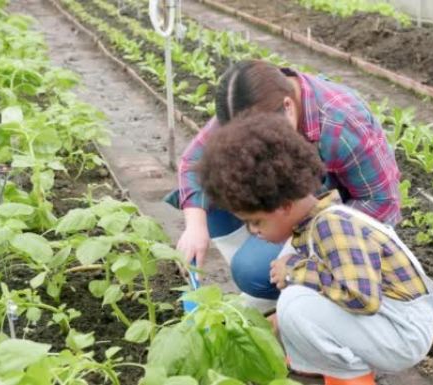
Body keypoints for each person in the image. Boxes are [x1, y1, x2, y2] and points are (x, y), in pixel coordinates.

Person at [196, 113, 433, 385]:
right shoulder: (311, 224)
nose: (254, 231)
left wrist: (295, 271)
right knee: (293, 300)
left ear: (284, 206)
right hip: (388, 319)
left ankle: (352, 378)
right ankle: (324, 363)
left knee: (295, 304)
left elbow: (360, 297)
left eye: (255, 222)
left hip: (403, 331)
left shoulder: (333, 226)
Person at [165, 59, 401, 304]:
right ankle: (274, 280)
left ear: (288, 106)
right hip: (286, 205)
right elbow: (194, 162)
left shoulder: (341, 123)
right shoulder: (248, 106)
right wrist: (195, 226)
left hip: (333, 218)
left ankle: (294, 294)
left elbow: (382, 202)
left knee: (253, 271)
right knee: (213, 188)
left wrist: (307, 250)